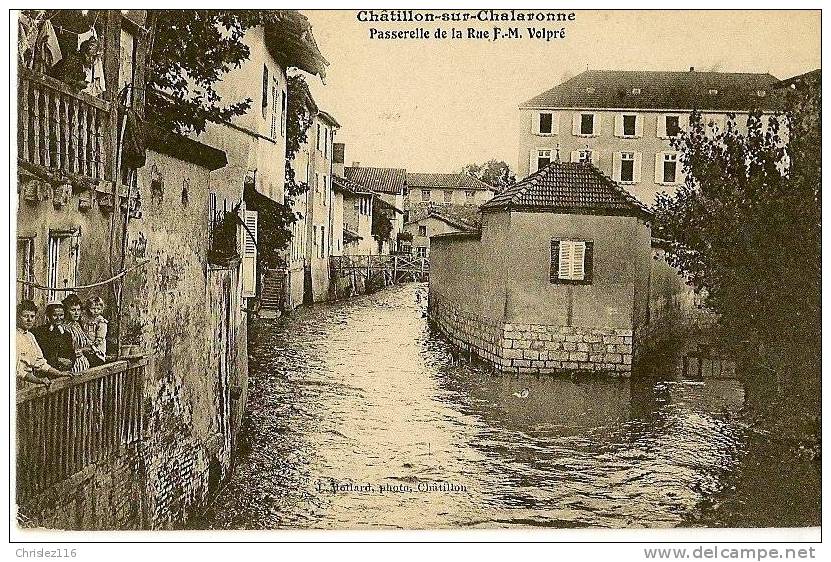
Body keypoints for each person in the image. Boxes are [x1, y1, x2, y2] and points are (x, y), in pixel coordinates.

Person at [16, 300, 66, 387]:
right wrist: (38, 380)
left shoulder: (30, 336)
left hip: (29, 382)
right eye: (25, 316)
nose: (29, 320)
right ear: (17, 317)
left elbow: (40, 362)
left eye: (32, 316)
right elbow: (18, 370)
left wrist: (59, 373)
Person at [31, 302, 75, 371]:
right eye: (54, 315)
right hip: (46, 371)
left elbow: (71, 352)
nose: (58, 318)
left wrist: (71, 362)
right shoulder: (40, 332)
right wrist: (57, 360)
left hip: (64, 371)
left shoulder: (67, 334)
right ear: (48, 316)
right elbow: (40, 354)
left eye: (61, 315)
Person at [62, 294, 91, 373]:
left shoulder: (77, 325)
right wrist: (83, 350)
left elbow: (87, 343)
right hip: (72, 366)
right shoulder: (64, 328)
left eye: (78, 310)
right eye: (73, 310)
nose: (76, 313)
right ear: (67, 311)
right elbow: (67, 352)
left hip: (83, 364)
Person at [81, 295, 108, 367]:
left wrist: (94, 345)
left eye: (98, 309)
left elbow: (101, 337)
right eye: (93, 308)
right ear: (88, 308)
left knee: (95, 362)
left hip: (97, 347)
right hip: (87, 346)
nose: (96, 311)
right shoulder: (85, 319)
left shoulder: (101, 321)